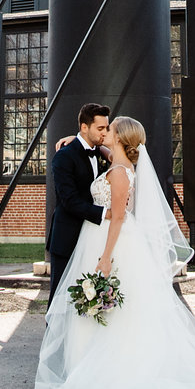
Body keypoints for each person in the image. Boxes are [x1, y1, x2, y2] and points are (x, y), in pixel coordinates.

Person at [34, 115, 195, 389]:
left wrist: (106, 256)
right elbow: (103, 153)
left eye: (109, 130)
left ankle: (112, 376)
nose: (105, 133)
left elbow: (120, 217)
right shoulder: (117, 161)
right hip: (97, 239)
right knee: (104, 309)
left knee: (116, 310)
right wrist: (76, 141)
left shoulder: (122, 173)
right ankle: (91, 369)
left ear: (121, 138)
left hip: (112, 242)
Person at [46, 104, 111, 300]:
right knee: (60, 298)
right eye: (100, 128)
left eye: (106, 128)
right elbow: (69, 201)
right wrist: (103, 213)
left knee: (88, 297)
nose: (104, 133)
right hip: (68, 237)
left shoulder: (99, 152)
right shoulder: (64, 156)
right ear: (84, 127)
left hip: (92, 239)